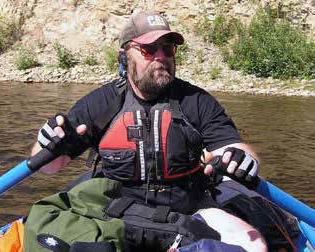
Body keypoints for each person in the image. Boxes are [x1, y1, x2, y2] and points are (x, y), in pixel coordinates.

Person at [32, 10, 267, 251]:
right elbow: (49, 166)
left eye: (168, 48)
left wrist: (243, 159)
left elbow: (234, 147)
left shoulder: (196, 101)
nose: (161, 56)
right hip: (116, 212)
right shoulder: (101, 104)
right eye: (149, 49)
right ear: (124, 57)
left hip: (188, 210)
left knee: (253, 245)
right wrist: (48, 142)